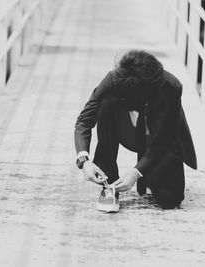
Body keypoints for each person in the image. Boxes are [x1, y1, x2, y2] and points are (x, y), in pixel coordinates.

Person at [74, 50, 197, 212]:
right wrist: (84, 161)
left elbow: (164, 139)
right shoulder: (112, 80)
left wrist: (136, 172)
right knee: (106, 104)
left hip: (160, 137)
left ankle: (150, 174)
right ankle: (108, 183)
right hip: (128, 130)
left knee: (170, 200)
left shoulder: (170, 86)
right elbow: (84, 120)